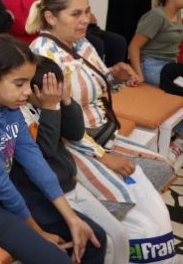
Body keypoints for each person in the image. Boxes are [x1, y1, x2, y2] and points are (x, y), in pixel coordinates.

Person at [28, 0, 175, 261]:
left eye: (87, 12)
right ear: (50, 17)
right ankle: (112, 240)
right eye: (76, 14)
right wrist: (103, 157)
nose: (85, 19)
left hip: (103, 135)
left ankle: (125, 238)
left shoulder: (81, 43)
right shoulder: (44, 57)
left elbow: (91, 86)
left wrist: (113, 75)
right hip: (74, 145)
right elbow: (58, 126)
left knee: (162, 170)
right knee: (138, 211)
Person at [0, 35, 105, 264]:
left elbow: (34, 160)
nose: (27, 91)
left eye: (29, 82)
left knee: (95, 237)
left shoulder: (9, 105)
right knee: (56, 259)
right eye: (20, 83)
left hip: (3, 188)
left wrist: (72, 219)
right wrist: (39, 233)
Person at [15, 56, 129, 264]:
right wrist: (50, 108)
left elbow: (75, 133)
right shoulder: (20, 112)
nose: (54, 94)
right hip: (47, 193)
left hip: (69, 182)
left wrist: (66, 101)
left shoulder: (51, 103)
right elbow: (45, 151)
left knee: (118, 234)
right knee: (101, 241)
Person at [128, 0, 183, 87]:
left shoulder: (177, 15)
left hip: (170, 66)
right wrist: (138, 75)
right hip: (150, 65)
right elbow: (133, 47)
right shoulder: (156, 16)